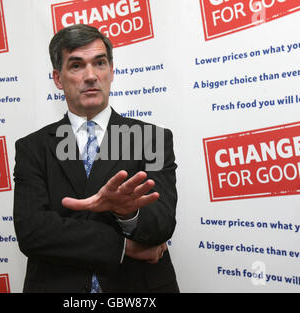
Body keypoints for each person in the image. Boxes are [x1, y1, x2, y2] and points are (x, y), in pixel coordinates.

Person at [13, 24, 179, 292]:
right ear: (58, 78)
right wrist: (124, 247)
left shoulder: (153, 139)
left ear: (112, 71)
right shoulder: (32, 148)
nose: (91, 76)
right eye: (77, 66)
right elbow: (33, 232)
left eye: (99, 63)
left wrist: (129, 212)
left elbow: (162, 223)